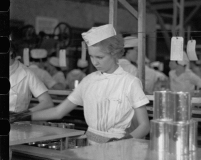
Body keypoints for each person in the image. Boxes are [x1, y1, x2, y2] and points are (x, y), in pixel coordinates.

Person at [11, 24, 150, 145]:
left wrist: (125, 140)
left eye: (100, 57)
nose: (95, 62)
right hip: (90, 146)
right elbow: (58, 112)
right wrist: (25, 116)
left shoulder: (130, 82)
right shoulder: (88, 81)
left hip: (119, 147)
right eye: (91, 56)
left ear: (115, 54)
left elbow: (144, 125)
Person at [9, 42, 54, 113]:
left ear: (10, 52)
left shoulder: (27, 74)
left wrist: (23, 115)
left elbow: (47, 102)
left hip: (17, 122)